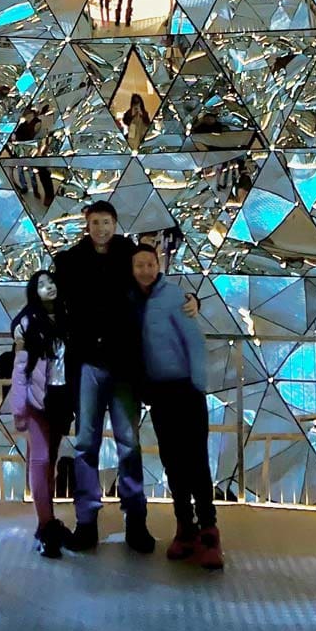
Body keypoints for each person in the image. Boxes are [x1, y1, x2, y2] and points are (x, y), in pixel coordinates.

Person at [53, 201, 198, 552]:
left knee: (128, 444)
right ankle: (86, 521)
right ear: (86, 225)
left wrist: (192, 301)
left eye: (106, 222)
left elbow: (155, 284)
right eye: (95, 222)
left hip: (124, 368)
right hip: (87, 364)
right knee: (86, 444)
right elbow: (53, 303)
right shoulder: (70, 262)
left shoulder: (130, 256)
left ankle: (136, 521)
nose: (101, 228)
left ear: (115, 223)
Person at [132, 243, 223, 569]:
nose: (144, 270)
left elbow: (195, 342)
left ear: (158, 265)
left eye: (149, 264)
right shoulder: (133, 300)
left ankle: (209, 530)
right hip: (159, 393)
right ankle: (185, 526)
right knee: (172, 461)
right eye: (138, 265)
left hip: (185, 389)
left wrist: (197, 384)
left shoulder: (173, 297)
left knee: (196, 459)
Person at [10, 270, 75, 558]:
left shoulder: (67, 318)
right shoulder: (26, 323)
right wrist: (19, 406)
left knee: (51, 461)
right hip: (38, 401)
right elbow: (20, 368)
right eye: (41, 285)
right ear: (32, 291)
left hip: (61, 399)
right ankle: (46, 524)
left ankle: (47, 522)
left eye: (52, 283)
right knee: (40, 458)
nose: (48, 288)